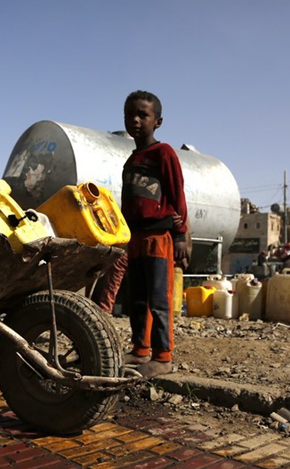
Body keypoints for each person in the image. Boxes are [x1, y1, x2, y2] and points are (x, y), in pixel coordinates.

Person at [120, 90, 189, 379]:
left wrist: (181, 234)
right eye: (130, 114)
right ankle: (140, 349)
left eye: (143, 115)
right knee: (137, 298)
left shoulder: (164, 153)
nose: (135, 120)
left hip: (159, 237)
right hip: (135, 238)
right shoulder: (131, 160)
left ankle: (163, 357)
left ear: (157, 121)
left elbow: (176, 192)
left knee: (159, 298)